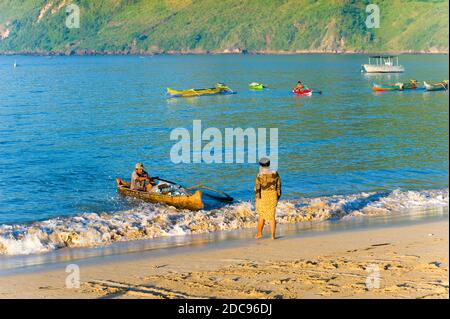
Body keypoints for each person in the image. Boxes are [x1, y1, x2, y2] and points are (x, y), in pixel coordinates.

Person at [254, 157, 281, 240]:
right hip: (273, 195)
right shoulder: (275, 173)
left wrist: (257, 198)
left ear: (261, 165)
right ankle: (272, 236)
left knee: (261, 215)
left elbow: (257, 188)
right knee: (272, 216)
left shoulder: (260, 175)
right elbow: (279, 186)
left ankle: (259, 233)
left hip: (263, 196)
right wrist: (277, 196)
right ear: (269, 164)